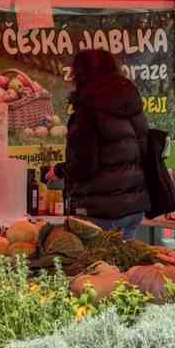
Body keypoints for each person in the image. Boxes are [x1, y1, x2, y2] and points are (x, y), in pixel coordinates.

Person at [46, 49, 150, 240]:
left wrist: (60, 170)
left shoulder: (87, 109)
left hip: (99, 210)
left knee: (94, 269)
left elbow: (84, 165)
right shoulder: (130, 101)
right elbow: (144, 149)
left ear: (80, 74)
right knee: (122, 267)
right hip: (133, 207)